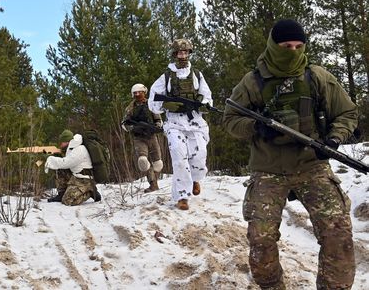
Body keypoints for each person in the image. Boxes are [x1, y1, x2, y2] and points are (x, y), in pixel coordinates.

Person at [223, 19, 358, 289]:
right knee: (261, 240)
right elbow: (230, 121)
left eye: (299, 46)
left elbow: (347, 112)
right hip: (268, 169)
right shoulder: (253, 82)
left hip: (312, 165)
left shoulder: (316, 76)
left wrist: (334, 138)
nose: (293, 51)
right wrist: (258, 127)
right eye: (286, 46)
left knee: (338, 236)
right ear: (274, 46)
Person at [148, 38, 213, 210]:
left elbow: (207, 95)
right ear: (175, 54)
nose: (182, 55)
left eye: (185, 52)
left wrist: (203, 103)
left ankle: (195, 179)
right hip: (175, 123)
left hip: (195, 121)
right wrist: (165, 105)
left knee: (199, 154)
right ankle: (182, 196)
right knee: (178, 156)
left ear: (189, 54)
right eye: (179, 53)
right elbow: (153, 98)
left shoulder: (197, 74)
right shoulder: (167, 76)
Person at [121, 83, 163, 193]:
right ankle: (152, 184)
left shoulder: (151, 104)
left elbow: (158, 120)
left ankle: (155, 183)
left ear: (144, 92)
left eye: (140, 92)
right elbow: (124, 124)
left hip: (151, 136)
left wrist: (156, 127)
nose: (137, 94)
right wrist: (134, 128)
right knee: (143, 161)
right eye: (135, 93)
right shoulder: (130, 108)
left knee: (158, 162)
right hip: (138, 138)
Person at [45, 129, 102, 206]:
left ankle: (89, 192)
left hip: (84, 179)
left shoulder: (79, 149)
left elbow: (66, 163)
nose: (61, 145)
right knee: (60, 169)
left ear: (67, 141)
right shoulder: (72, 148)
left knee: (68, 200)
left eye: (62, 142)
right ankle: (62, 193)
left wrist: (51, 159)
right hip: (76, 176)